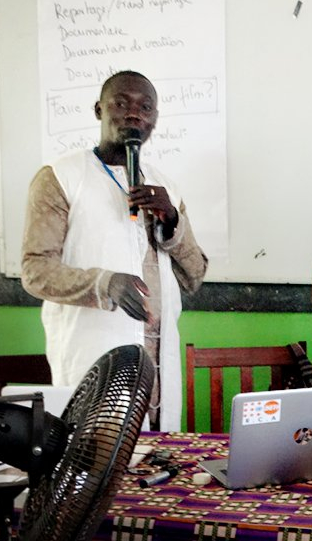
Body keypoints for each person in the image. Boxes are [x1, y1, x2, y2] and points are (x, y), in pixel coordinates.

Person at [21, 70, 208, 431]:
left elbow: (194, 275)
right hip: (94, 354)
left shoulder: (166, 187)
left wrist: (172, 220)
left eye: (145, 107)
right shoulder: (60, 177)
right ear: (99, 110)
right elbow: (35, 270)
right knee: (96, 455)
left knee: (158, 459)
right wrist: (105, 283)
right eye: (121, 103)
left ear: (155, 119)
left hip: (159, 364)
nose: (134, 113)